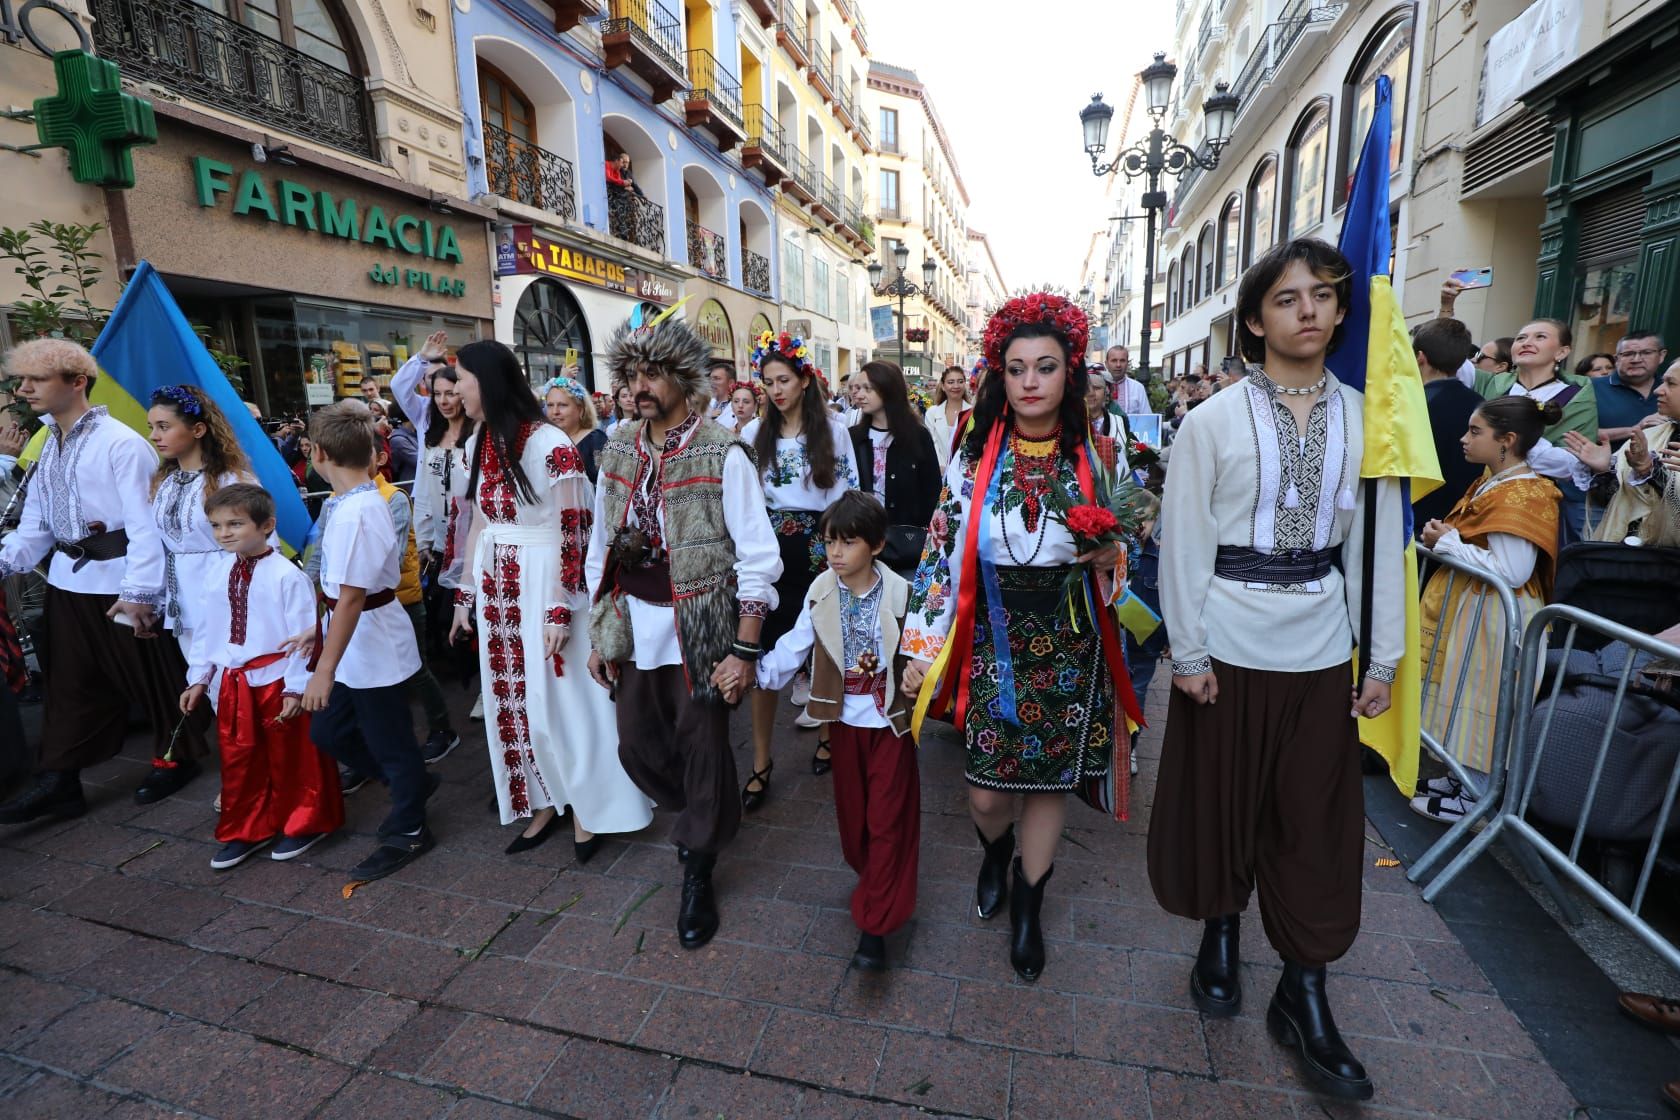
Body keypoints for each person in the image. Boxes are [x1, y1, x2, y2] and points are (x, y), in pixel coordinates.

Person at [1148, 239, 1405, 1102]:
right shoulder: (1213, 421)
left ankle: (1304, 989)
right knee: (1222, 803)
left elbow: (1375, 543)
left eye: (1324, 296)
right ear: (1256, 318)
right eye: (1289, 298)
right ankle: (1220, 929)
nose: (1309, 310)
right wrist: (1185, 650)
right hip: (1225, 643)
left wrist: (1385, 653)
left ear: (1339, 313)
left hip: (1323, 647)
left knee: (1315, 821)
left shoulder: (1371, 417)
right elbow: (1182, 538)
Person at [900, 292, 1144, 983]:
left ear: (1071, 372)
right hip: (991, 640)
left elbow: (1124, 559)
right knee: (985, 791)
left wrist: (1111, 559)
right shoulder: (974, 451)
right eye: (1016, 368)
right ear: (998, 376)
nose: (1031, 380)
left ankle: (1030, 904)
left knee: (1046, 787)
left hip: (1071, 643)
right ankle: (992, 854)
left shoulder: (1100, 452)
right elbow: (942, 550)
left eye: (1045, 366)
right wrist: (920, 649)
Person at [586, 311, 781, 949]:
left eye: (652, 373)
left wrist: (745, 648)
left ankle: (699, 860)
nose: (639, 385)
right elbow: (600, 540)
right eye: (631, 374)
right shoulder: (616, 447)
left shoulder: (723, 451)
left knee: (702, 747)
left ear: (681, 377)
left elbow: (757, 555)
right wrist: (597, 630)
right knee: (636, 745)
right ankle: (702, 811)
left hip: (701, 625)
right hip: (632, 621)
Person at [451, 340, 654, 859]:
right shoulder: (483, 439)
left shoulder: (549, 444)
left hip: (546, 584)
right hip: (500, 587)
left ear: (488, 382)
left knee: (563, 700)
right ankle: (542, 798)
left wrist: (561, 605)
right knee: (513, 700)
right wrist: (465, 594)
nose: (455, 390)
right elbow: (480, 519)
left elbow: (576, 529)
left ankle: (590, 806)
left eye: (462, 379)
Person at [0, 340, 210, 822]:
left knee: (155, 680)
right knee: (69, 684)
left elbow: (144, 526)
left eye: (37, 379)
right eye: (22, 378)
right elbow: (35, 526)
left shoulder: (121, 443)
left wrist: (139, 593)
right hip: (68, 584)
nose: (23, 388)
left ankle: (176, 757)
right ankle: (61, 779)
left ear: (77, 383)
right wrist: (6, 560)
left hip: (121, 585)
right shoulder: (47, 444)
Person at [753, 492, 919, 971]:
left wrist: (919, 674)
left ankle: (876, 925)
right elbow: (795, 642)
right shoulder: (821, 591)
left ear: (878, 545)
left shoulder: (901, 595)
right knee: (855, 823)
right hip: (843, 722)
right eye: (830, 543)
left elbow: (926, 646)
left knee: (887, 819)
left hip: (890, 724)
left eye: (848, 543)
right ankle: (874, 881)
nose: (836, 553)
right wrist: (757, 672)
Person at [299, 401, 435, 882]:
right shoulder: (346, 503)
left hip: (372, 642)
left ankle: (410, 823)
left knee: (389, 739)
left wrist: (323, 667)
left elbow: (353, 597)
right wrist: (318, 631)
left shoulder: (359, 510)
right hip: (352, 637)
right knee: (329, 732)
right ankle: (412, 783)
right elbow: (342, 594)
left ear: (317, 453)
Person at [1414, 397, 1563, 823]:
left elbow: (1513, 571)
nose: (1464, 438)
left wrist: (1448, 543)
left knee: (1485, 698)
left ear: (1507, 440)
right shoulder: (1495, 481)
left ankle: (1475, 790)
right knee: (1464, 691)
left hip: (1498, 615)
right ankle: (1462, 776)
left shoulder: (1522, 493)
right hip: (1478, 608)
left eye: (1475, 431)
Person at [182, 484, 342, 868]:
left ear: (266, 525)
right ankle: (247, 827)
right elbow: (208, 629)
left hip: (276, 678)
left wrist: (295, 686)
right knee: (240, 757)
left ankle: (305, 822)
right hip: (235, 683)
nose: (224, 533)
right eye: (217, 525)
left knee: (292, 756)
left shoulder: (287, 575)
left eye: (235, 523)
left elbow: (305, 634)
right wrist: (199, 677)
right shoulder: (216, 572)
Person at [741, 331, 858, 805]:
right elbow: (745, 502)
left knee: (824, 646)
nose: (776, 390)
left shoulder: (834, 431)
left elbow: (847, 495)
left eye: (784, 379)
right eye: (768, 382)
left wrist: (841, 554)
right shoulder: (751, 435)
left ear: (805, 379)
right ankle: (760, 760)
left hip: (819, 547)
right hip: (768, 552)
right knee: (761, 651)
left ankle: (829, 734)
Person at [146, 385, 257, 658]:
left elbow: (261, 548)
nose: (153, 436)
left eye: (163, 426)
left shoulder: (231, 481)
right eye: (152, 427)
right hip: (183, 601)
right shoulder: (165, 483)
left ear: (197, 430)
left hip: (229, 597)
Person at [1466, 319, 1598, 541]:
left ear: (1562, 351)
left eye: (1540, 337)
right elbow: (1442, 354)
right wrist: (1447, 305)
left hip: (1535, 502)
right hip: (1482, 490)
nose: (1527, 342)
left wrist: (1507, 442)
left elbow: (1572, 463)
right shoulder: (1492, 383)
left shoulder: (1577, 394)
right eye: (1521, 338)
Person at [393, 334, 474, 667]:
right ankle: (452, 667)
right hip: (436, 532)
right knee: (442, 603)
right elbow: (400, 388)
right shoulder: (427, 420)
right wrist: (421, 359)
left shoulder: (479, 429)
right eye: (437, 393)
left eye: (451, 393)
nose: (443, 401)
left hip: (472, 531)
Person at [1566, 359, 1680, 542]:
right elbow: (1611, 503)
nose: (1658, 390)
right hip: (1630, 560)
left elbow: (1674, 509)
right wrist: (1603, 470)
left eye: (1671, 383)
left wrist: (1650, 472)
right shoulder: (1650, 437)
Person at [848, 361, 941, 578]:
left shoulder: (918, 436)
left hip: (907, 550)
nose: (859, 395)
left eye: (867, 388)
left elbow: (933, 494)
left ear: (888, 389)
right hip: (862, 546)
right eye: (857, 388)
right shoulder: (853, 437)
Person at [1410, 319, 1486, 526]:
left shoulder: (1411, 404)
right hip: (1457, 519)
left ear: (1419, 357)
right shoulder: (1481, 405)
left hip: (1411, 520)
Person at [1593, 331, 1664, 444]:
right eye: (1628, 354)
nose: (1636, 360)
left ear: (1661, 356)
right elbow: (1575, 433)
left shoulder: (1672, 389)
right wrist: (1635, 429)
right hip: (1606, 460)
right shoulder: (1590, 388)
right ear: (1616, 359)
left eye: (1646, 353)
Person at [543, 373, 609, 482]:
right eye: (550, 405)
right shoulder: (545, 441)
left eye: (562, 405)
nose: (555, 412)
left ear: (581, 410)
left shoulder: (595, 440)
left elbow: (609, 485)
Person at [1105, 345, 1151, 415]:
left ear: (1127, 363)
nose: (1118, 365)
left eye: (1122, 361)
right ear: (1106, 364)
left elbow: (1147, 417)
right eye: (1114, 360)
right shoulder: (1097, 387)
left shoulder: (1138, 388)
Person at [1085, 370, 1129, 440]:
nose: (1091, 393)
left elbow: (1132, 448)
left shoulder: (1120, 422)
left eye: (1096, 388)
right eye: (1085, 388)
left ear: (1106, 392)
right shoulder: (1070, 423)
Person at [705, 358, 738, 429]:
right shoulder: (705, 405)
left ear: (731, 383)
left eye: (717, 378)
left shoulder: (739, 408)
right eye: (710, 379)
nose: (711, 383)